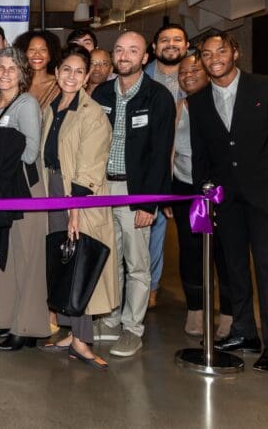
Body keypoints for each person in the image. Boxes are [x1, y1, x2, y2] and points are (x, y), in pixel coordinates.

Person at [189, 32, 268, 372]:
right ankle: (245, 332)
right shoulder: (198, 101)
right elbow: (200, 155)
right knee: (234, 267)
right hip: (225, 200)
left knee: (267, 266)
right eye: (207, 54)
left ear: (235, 53)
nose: (214, 58)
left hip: (266, 196)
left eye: (221, 51)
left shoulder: (267, 88)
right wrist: (205, 195)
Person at [90, 31, 175, 358]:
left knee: (137, 264)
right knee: (110, 259)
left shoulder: (158, 97)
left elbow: (160, 154)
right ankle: (111, 319)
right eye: (119, 50)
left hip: (135, 190)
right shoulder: (102, 93)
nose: (124, 56)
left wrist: (147, 202)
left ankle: (133, 328)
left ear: (145, 57)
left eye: (133, 51)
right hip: (103, 189)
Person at [36, 45, 116, 370]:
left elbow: (90, 166)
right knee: (63, 263)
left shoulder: (91, 113)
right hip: (54, 191)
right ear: (56, 73)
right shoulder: (52, 107)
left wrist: (75, 210)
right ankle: (70, 333)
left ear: (86, 77)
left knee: (81, 264)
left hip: (80, 198)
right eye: (66, 69)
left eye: (79, 71)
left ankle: (83, 341)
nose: (71, 76)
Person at [0, 47, 48, 351]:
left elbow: (30, 153)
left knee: (28, 256)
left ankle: (28, 327)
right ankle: (8, 319)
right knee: (2, 254)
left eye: (12, 67)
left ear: (22, 73)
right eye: (0, 67)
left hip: (24, 189)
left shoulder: (27, 103)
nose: (5, 73)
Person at [168, 52, 221, 337]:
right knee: (190, 250)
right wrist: (167, 189)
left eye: (195, 70)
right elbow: (170, 150)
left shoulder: (220, 104)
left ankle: (228, 312)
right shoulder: (178, 107)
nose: (187, 75)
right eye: (182, 72)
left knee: (223, 250)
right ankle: (196, 309)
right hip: (184, 188)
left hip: (217, 189)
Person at [143, 23, 189, 309]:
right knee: (151, 226)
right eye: (164, 40)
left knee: (190, 236)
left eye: (177, 40)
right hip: (149, 164)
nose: (171, 44)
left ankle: (157, 285)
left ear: (186, 46)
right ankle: (149, 286)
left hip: (186, 169)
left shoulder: (196, 77)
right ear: (154, 47)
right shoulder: (142, 78)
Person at [14, 30, 62, 107]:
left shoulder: (60, 84)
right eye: (31, 50)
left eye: (43, 50)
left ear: (50, 55)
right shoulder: (15, 84)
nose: (37, 54)